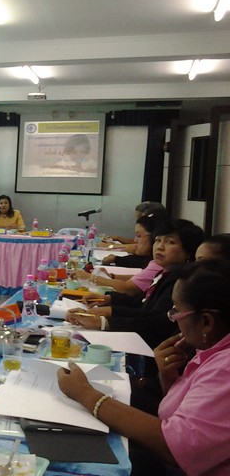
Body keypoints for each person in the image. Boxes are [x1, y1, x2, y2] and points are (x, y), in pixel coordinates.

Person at [58, 259, 230, 476]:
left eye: (176, 311)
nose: (173, 319)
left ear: (206, 322)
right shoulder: (210, 350)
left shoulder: (224, 369)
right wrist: (168, 379)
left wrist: (86, 394)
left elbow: (176, 447)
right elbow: (183, 417)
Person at [67, 219, 204, 350]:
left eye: (170, 242)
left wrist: (103, 322)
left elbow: (155, 323)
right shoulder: (165, 272)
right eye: (158, 240)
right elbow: (143, 303)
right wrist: (108, 300)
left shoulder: (182, 283)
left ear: (188, 252)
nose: (160, 247)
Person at [101, 201, 166, 247]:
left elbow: (136, 247)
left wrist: (110, 246)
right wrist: (118, 238)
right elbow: (135, 242)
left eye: (140, 217)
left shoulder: (156, 232)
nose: (137, 221)